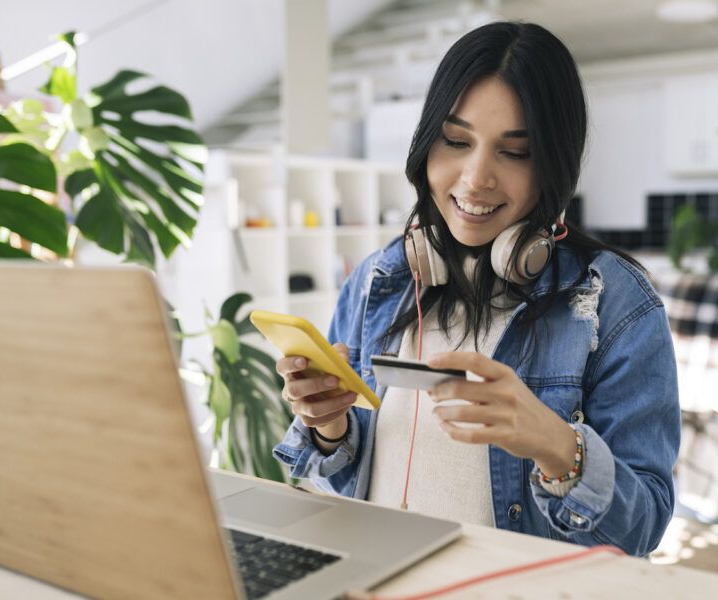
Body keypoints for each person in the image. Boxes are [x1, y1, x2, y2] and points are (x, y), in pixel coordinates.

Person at [273, 21, 680, 557]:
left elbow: (642, 529)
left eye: (515, 152)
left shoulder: (614, 302)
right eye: (456, 141)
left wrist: (556, 445)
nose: (475, 177)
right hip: (379, 577)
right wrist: (328, 427)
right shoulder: (379, 280)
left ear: (553, 165)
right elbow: (346, 490)